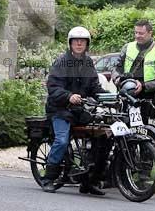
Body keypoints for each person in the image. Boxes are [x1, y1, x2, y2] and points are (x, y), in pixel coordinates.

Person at [41, 26, 108, 195]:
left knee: (103, 136)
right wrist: (68, 96)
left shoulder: (88, 63)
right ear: (70, 43)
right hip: (60, 110)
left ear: (87, 44)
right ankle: (48, 178)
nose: (79, 43)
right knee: (62, 140)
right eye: (76, 41)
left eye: (83, 41)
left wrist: (110, 97)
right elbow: (53, 87)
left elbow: (95, 87)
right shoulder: (61, 62)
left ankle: (90, 181)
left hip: (79, 110)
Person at [112, 19, 155, 120]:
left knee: (145, 132)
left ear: (150, 33)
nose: (137, 36)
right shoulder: (127, 47)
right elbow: (115, 68)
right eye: (136, 32)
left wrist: (143, 85)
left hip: (148, 100)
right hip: (126, 97)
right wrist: (117, 79)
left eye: (141, 33)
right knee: (123, 131)